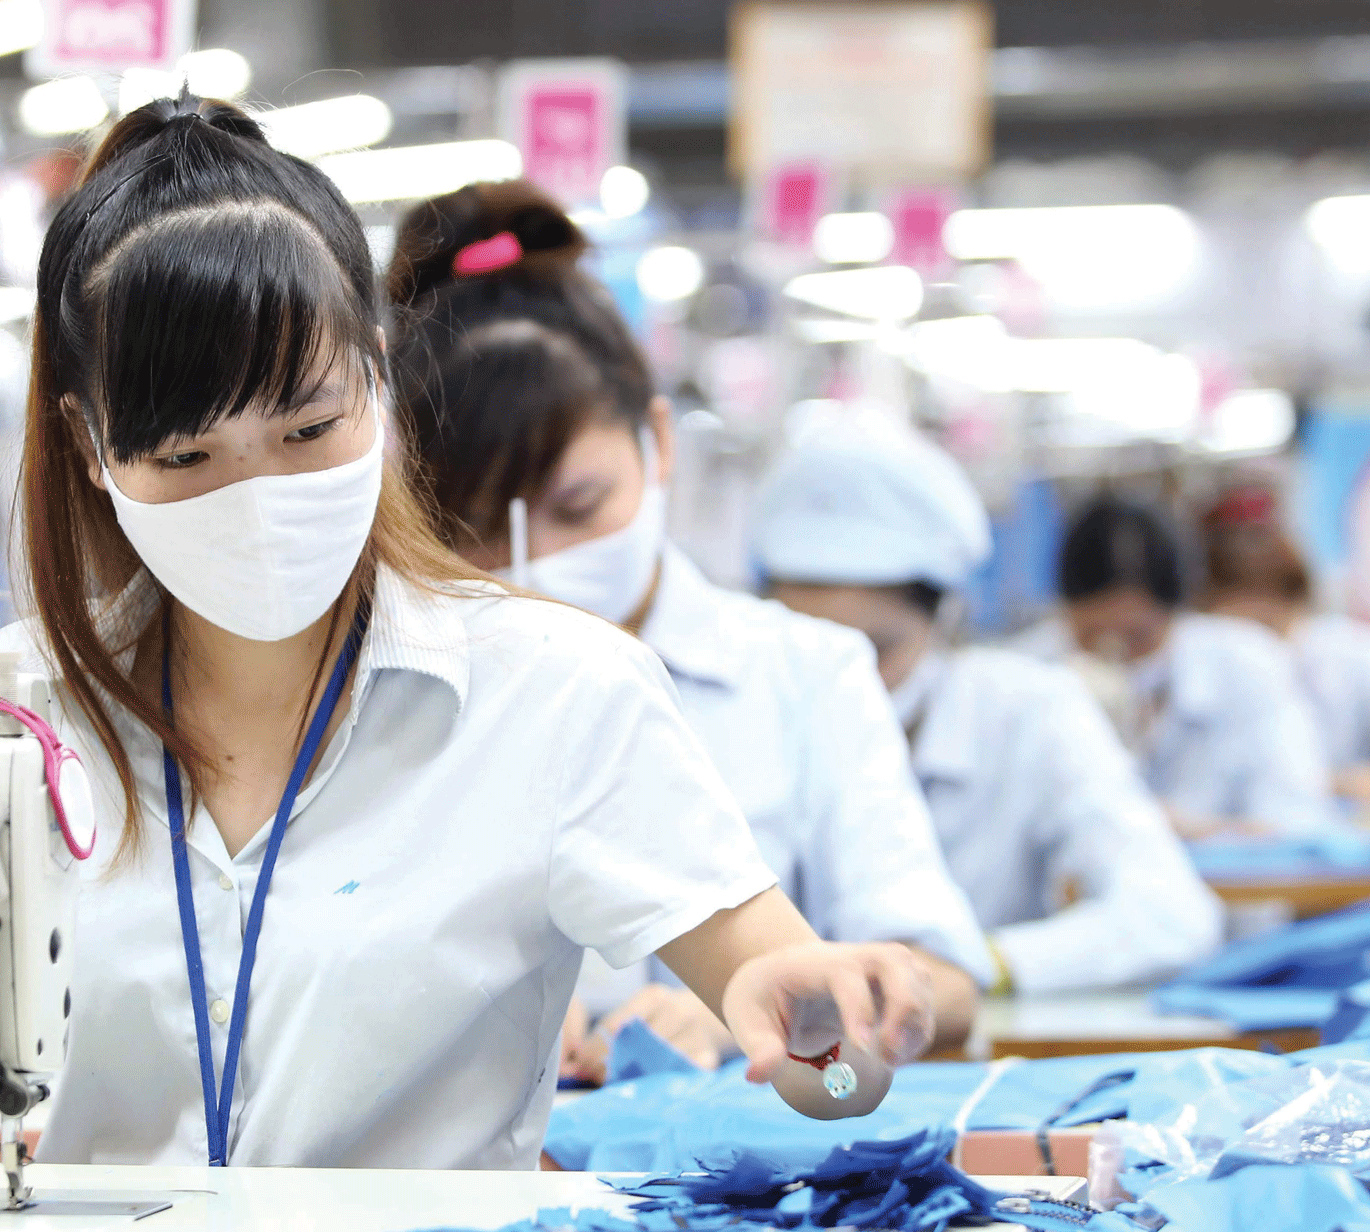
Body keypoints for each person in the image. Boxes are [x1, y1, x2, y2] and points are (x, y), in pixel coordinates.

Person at [0, 96, 938, 1182]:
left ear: (378, 374)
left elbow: (782, 995)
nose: (257, 497)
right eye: (187, 457)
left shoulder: (558, 694)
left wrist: (826, 1028)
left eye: (308, 430)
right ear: (89, 443)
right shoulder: (6, 713)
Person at [384, 180, 986, 1082]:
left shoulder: (805, 674)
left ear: (658, 444)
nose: (537, 562)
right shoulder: (396, 696)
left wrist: (765, 1007)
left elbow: (941, 981)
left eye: (578, 506)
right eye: (475, 530)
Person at [753, 421, 1223, 994]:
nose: (842, 684)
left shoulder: (1026, 711)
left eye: (876, 651)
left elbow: (1171, 915)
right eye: (807, 654)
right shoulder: (731, 719)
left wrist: (973, 967)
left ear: (944, 621)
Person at [1015, 493, 1333, 839]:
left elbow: (1298, 820)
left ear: (1176, 613)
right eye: (1093, 636)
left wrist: (1193, 830)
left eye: (1137, 637)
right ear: (1065, 613)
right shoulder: (1026, 676)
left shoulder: (1247, 667)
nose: (1117, 651)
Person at [1199, 485, 1370, 810]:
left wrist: (1319, 782)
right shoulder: (1214, 674)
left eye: (1265, 625)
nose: (1252, 646)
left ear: (1295, 602)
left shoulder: (1352, 657)